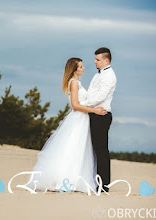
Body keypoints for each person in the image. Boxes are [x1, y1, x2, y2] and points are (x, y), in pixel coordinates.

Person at [25, 57, 107, 193]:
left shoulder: (76, 83)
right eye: (80, 67)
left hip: (82, 119)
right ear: (74, 70)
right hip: (79, 119)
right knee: (73, 148)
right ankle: (66, 179)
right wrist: (95, 110)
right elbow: (75, 105)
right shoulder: (74, 83)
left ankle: (72, 178)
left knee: (78, 149)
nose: (83, 68)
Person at [80, 47, 117, 192]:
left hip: (101, 115)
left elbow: (100, 97)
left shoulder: (109, 76)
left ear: (106, 60)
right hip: (94, 114)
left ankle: (104, 186)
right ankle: (95, 181)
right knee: (94, 150)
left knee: (101, 150)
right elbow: (91, 92)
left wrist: (82, 105)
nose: (95, 62)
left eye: (98, 59)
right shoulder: (98, 75)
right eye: (95, 59)